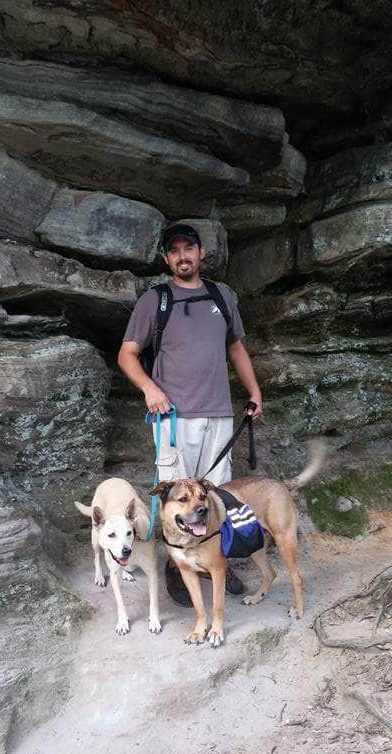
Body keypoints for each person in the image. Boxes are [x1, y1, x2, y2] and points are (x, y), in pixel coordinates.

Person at [118, 222, 263, 606]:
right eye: (174, 251)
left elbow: (236, 349)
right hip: (174, 419)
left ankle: (218, 561)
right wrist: (150, 388)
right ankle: (177, 568)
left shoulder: (221, 296)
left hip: (218, 414)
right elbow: (127, 354)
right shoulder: (156, 300)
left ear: (201, 253)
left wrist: (254, 391)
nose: (183, 256)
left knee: (216, 496)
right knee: (176, 499)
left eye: (189, 248)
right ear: (167, 258)